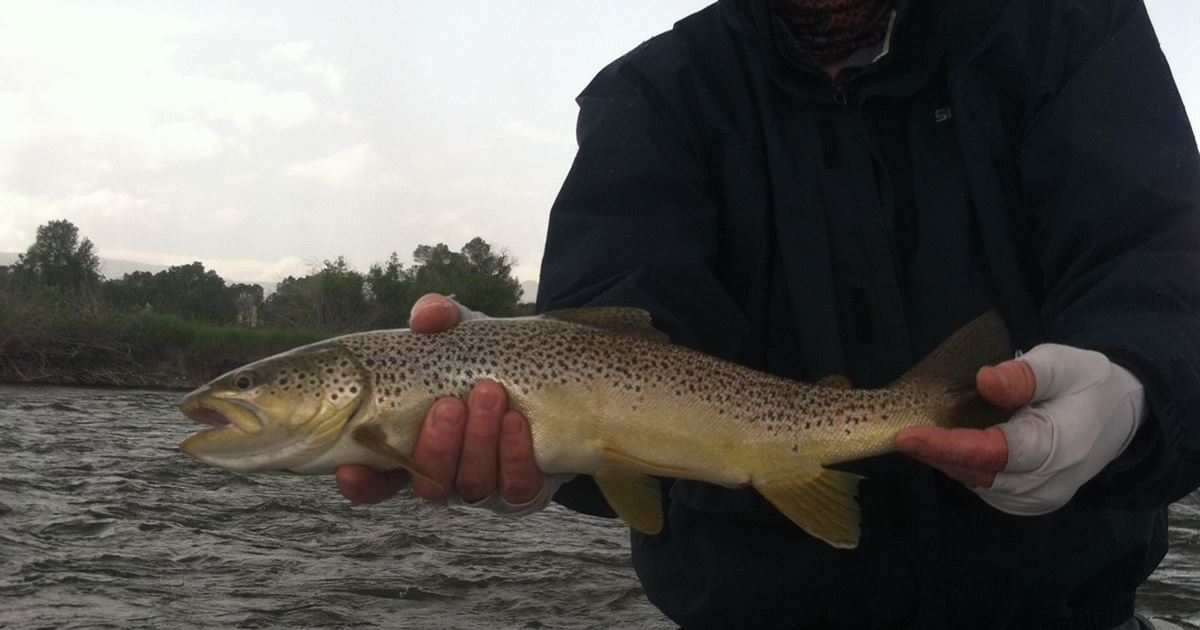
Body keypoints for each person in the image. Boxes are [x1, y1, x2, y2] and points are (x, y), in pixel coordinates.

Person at [337, 0, 1200, 627]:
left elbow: (1167, 273)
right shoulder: (652, 99)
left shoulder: (1074, 28)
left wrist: (1133, 394)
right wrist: (552, 455)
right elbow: (622, 318)